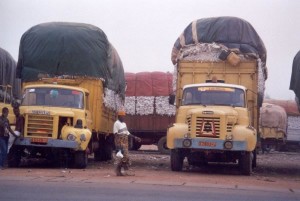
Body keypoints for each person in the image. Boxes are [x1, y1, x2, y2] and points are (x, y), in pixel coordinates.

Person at [113, 110, 141, 176]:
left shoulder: (124, 124)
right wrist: (118, 144)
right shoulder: (116, 123)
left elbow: (127, 133)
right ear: (119, 116)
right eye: (122, 116)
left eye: (124, 116)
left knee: (125, 157)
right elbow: (115, 134)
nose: (124, 118)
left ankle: (121, 170)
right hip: (120, 141)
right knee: (122, 156)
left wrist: (135, 137)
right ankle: (118, 170)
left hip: (125, 141)